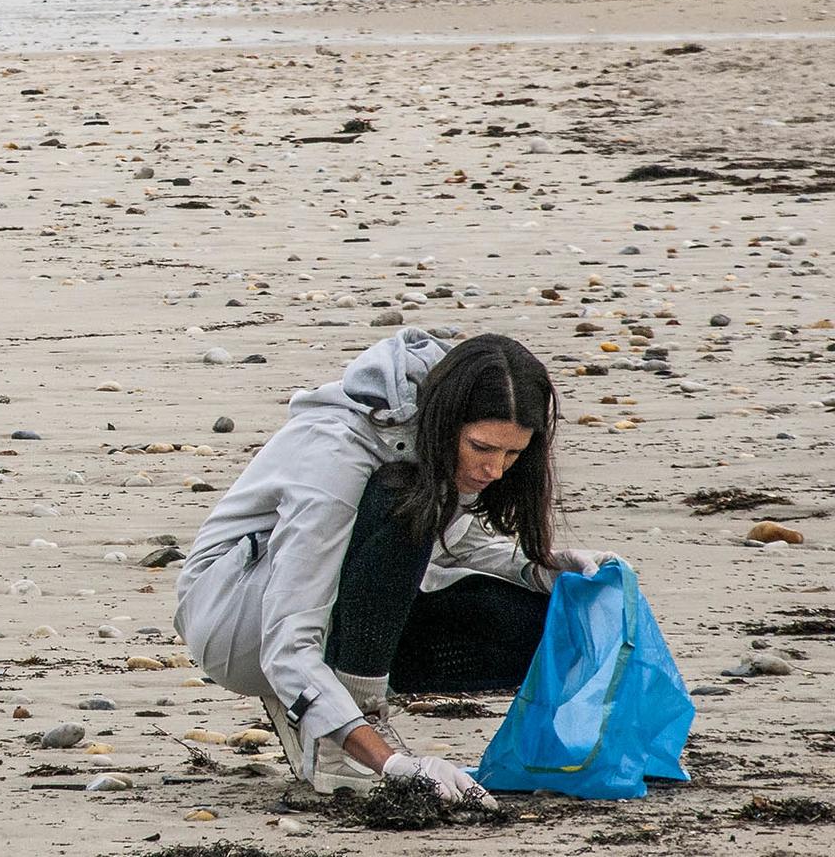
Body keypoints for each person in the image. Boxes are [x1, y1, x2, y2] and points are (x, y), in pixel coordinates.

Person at [174, 331, 618, 807]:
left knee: (536, 625)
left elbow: (453, 537)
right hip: (238, 623)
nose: (495, 471)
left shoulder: (433, 436)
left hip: (326, 605)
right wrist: (390, 762)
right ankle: (341, 736)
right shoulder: (336, 453)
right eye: (482, 448)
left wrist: (540, 567)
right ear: (446, 420)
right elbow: (289, 638)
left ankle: (326, 709)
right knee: (402, 501)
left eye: (512, 454)